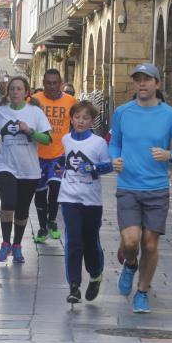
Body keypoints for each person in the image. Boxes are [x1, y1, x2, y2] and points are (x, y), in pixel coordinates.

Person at [109, 62, 172, 314]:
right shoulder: (123, 112)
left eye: (147, 79)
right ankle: (129, 264)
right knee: (131, 241)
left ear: (157, 84)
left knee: (149, 244)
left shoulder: (169, 115)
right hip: (128, 186)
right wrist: (114, 159)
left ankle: (143, 292)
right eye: (138, 80)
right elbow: (114, 143)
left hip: (157, 189)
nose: (142, 84)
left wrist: (170, 155)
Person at [0, 77, 52, 263]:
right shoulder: (0, 112)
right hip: (5, 165)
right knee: (8, 203)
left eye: (19, 89)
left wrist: (30, 131)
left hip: (29, 168)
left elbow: (47, 139)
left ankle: (17, 245)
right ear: (8, 92)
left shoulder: (35, 113)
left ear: (26, 92)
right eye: (12, 89)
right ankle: (5, 243)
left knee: (22, 210)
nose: (15, 92)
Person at [59, 101, 113, 304]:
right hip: (69, 197)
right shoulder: (65, 139)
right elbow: (62, 161)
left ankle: (96, 274)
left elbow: (108, 166)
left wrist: (93, 168)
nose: (80, 121)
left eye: (85, 118)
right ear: (71, 119)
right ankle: (74, 286)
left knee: (90, 242)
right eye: (77, 117)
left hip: (91, 200)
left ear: (92, 121)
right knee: (73, 242)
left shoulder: (98, 143)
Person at [31, 69, 75, 243]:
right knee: (40, 193)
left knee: (56, 189)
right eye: (48, 82)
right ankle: (42, 228)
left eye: (54, 82)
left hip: (59, 154)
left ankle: (52, 220)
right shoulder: (34, 101)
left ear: (60, 82)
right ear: (43, 82)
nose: (51, 86)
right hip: (36, 155)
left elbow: (78, 124)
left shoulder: (71, 101)